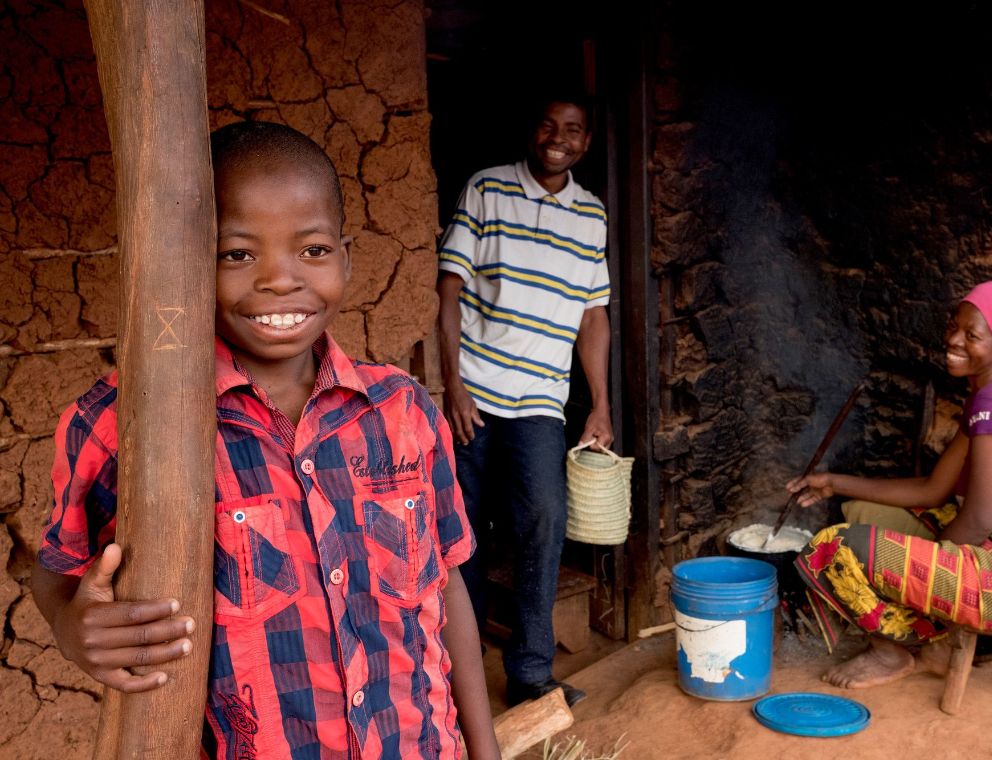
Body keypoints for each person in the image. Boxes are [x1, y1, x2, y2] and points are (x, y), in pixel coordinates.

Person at [31, 122, 500, 759]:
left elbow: (446, 588)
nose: (280, 280)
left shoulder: (403, 410)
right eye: (237, 254)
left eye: (311, 250)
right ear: (190, 262)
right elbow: (57, 571)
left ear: (346, 255)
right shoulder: (123, 426)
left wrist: (484, 749)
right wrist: (70, 625)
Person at [786, 278, 992, 689]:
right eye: (954, 326)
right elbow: (933, 489)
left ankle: (893, 652)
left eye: (972, 335)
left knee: (834, 547)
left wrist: (925, 567)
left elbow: (979, 521)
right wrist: (834, 483)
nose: (953, 340)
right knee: (860, 512)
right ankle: (921, 634)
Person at [436, 93, 613, 707]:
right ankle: (460, 674)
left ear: (586, 142)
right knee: (464, 534)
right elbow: (450, 288)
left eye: (572, 130)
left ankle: (531, 674)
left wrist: (600, 405)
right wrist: (452, 385)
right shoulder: (486, 189)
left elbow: (594, 318)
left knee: (543, 520)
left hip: (541, 399)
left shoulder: (591, 215)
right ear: (531, 131)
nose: (557, 138)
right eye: (547, 124)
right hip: (476, 395)